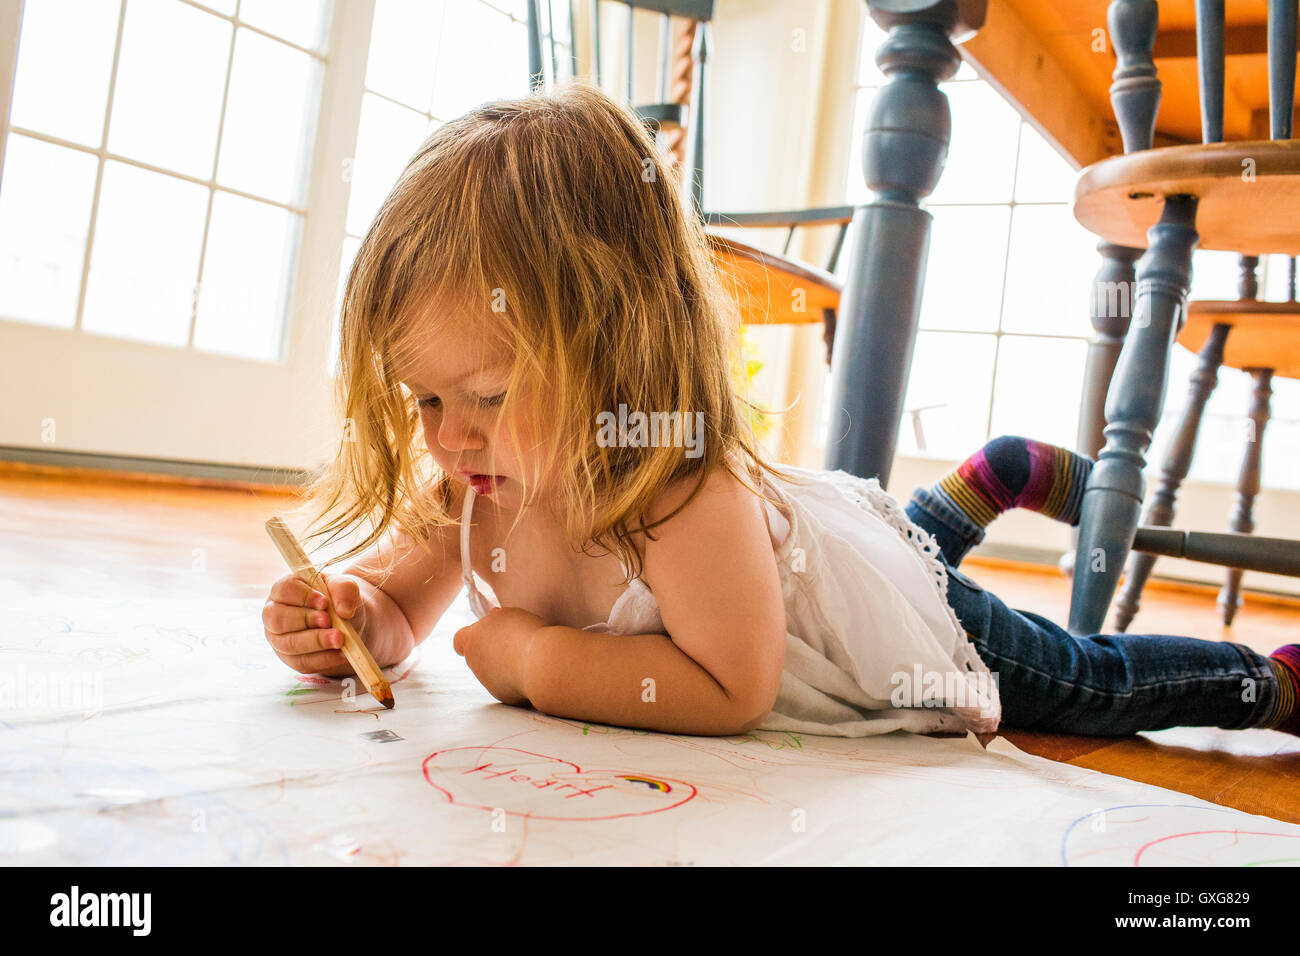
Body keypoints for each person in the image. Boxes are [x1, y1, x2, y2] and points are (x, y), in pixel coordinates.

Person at [261, 82, 1299, 741]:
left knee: (1076, 680)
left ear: (617, 348)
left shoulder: (672, 491)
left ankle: (1264, 682)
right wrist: (351, 614)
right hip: (812, 542)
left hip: (867, 623)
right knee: (891, 534)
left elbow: (729, 685)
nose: (448, 436)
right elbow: (398, 610)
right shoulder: (472, 480)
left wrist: (536, 657)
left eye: (484, 395)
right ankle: (976, 485)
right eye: (425, 398)